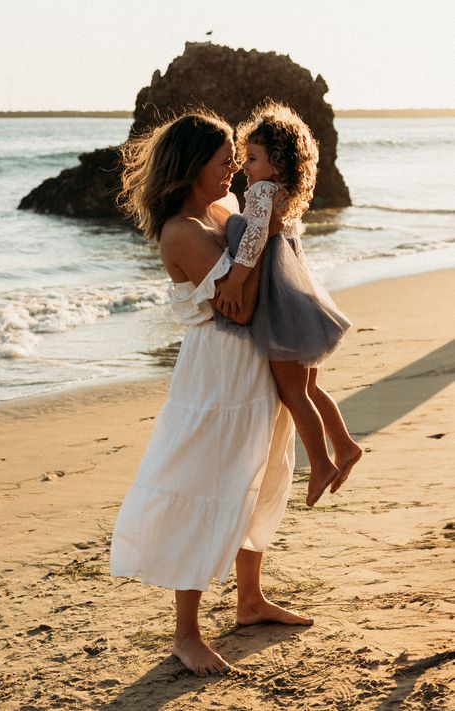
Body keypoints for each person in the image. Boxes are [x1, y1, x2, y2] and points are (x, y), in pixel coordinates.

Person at [110, 109, 313, 678]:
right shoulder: (182, 230)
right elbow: (240, 307)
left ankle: (250, 601)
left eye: (235, 158)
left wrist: (263, 236)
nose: (234, 168)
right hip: (216, 377)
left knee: (263, 475)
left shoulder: (224, 210)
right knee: (205, 484)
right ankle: (186, 633)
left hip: (256, 366)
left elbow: (263, 263)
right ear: (194, 165)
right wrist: (259, 240)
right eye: (225, 159)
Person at [216, 101, 362, 507]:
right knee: (309, 387)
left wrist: (234, 282)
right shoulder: (285, 193)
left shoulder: (263, 191)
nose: (245, 166)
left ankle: (321, 462)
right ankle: (344, 446)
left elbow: (253, 240)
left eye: (253, 158)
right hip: (300, 295)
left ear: (276, 164)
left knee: (291, 392)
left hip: (279, 302)